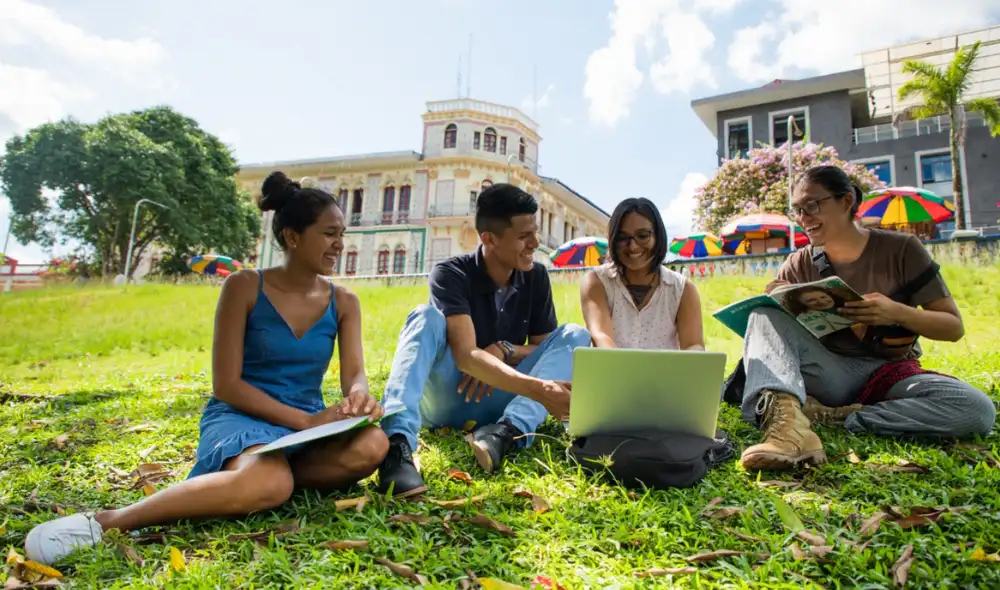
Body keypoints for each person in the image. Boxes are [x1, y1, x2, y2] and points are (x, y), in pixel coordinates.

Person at [24, 172, 389, 565]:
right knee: (271, 481)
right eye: (330, 233)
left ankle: (255, 484)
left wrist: (358, 396)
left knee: (374, 445)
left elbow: (354, 372)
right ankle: (108, 521)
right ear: (293, 237)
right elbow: (227, 385)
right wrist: (305, 422)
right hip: (243, 417)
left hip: (303, 429)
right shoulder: (244, 287)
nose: (340, 244)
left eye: (342, 234)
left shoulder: (345, 301)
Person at [739, 164, 995, 471]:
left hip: (890, 374)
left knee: (976, 409)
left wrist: (895, 311)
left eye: (812, 205)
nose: (803, 218)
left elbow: (953, 327)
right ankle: (787, 433)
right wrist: (780, 299)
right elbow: (777, 335)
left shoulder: (901, 249)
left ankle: (838, 417)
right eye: (797, 210)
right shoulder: (798, 263)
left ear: (846, 202)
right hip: (827, 373)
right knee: (763, 313)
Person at [376, 183, 592, 497]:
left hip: (502, 399)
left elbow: (543, 352)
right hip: (449, 396)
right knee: (425, 317)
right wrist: (541, 390)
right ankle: (396, 446)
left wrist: (504, 349)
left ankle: (507, 432)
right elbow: (466, 357)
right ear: (489, 238)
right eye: (523, 236)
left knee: (575, 334)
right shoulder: (450, 274)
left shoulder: (536, 276)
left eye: (535, 233)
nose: (535, 243)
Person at [579, 197, 704, 350]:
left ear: (658, 236)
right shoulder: (597, 282)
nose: (632, 246)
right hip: (611, 370)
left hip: (666, 373)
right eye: (622, 238)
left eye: (643, 236)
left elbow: (693, 344)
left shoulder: (682, 289)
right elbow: (601, 336)